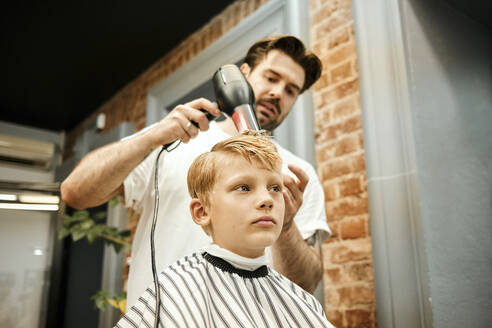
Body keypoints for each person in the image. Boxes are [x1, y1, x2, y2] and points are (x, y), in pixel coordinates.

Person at [61, 35, 331, 309]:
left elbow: (304, 286)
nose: (278, 93)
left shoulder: (298, 175)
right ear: (244, 73)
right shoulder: (170, 142)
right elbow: (75, 192)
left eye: (291, 90)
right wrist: (150, 137)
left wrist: (285, 226)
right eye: (272, 78)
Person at [115, 132, 335, 328]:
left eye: (274, 188)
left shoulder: (299, 299)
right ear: (202, 211)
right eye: (243, 188)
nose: (267, 199)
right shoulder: (175, 290)